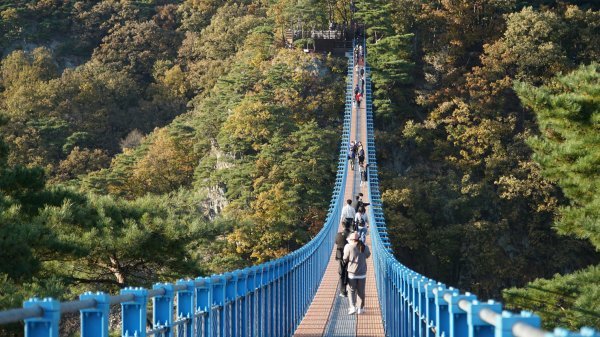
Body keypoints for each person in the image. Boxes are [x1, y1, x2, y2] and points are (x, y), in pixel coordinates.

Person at [344, 231, 371, 315]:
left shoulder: (348, 246)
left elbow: (345, 258)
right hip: (362, 272)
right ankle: (360, 308)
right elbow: (368, 255)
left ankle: (352, 307)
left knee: (351, 290)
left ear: (351, 239)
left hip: (352, 273)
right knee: (361, 291)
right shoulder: (364, 246)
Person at [335, 227, 351, 297]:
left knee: (341, 273)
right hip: (347, 257)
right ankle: (346, 290)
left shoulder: (338, 235)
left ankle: (343, 291)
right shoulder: (349, 237)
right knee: (347, 272)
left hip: (339, 256)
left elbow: (336, 242)